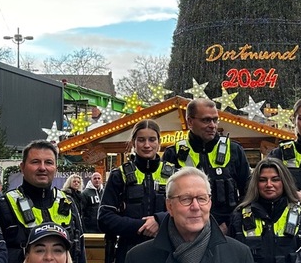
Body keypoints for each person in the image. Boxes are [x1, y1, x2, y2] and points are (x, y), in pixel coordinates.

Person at [124, 167, 253, 263]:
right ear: (169, 206)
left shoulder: (239, 255)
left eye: (202, 198)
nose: (195, 207)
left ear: (210, 203)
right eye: (186, 199)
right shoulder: (138, 258)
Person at [162, 98, 251, 231]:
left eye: (215, 120)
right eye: (206, 120)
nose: (212, 125)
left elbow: (248, 192)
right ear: (190, 122)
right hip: (186, 231)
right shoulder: (173, 153)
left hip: (227, 230)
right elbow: (166, 197)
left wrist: (230, 224)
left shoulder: (234, 150)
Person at [0, 140, 85, 263]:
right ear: (22, 167)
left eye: (48, 162)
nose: (42, 168)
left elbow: (79, 253)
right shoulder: (4, 205)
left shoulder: (68, 203)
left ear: (55, 168)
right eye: (35, 162)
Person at [98, 119, 176, 263]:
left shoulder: (174, 175)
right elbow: (104, 218)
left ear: (159, 142)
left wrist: (159, 220)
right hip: (128, 251)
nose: (147, 145)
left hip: (166, 252)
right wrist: (142, 227)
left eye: (152, 140)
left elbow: (185, 210)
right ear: (134, 143)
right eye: (141, 140)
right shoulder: (118, 175)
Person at [229, 158, 301, 263]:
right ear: (255, 184)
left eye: (275, 179)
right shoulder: (239, 218)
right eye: (262, 180)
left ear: (284, 182)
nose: (269, 185)